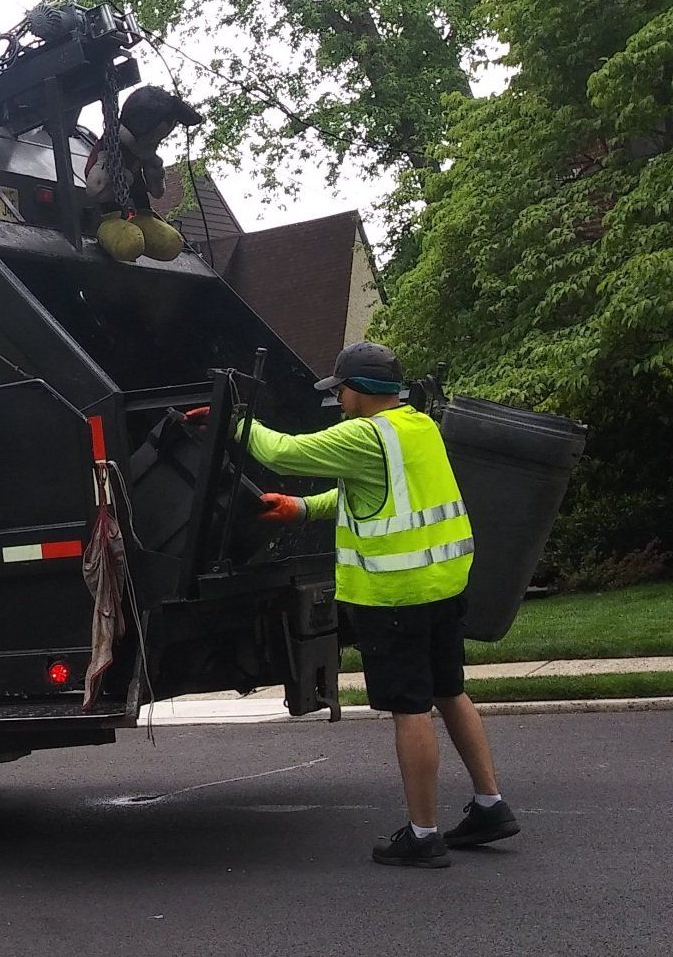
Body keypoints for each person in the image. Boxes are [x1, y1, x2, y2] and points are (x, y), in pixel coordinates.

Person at [192, 341, 520, 868]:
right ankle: (490, 805)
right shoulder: (417, 428)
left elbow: (283, 453)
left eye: (339, 388)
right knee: (449, 692)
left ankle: (424, 833)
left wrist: (230, 423)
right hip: (441, 588)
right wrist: (301, 508)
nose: (336, 396)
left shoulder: (363, 436)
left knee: (410, 709)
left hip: (395, 599)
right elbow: (367, 496)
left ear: (360, 391)